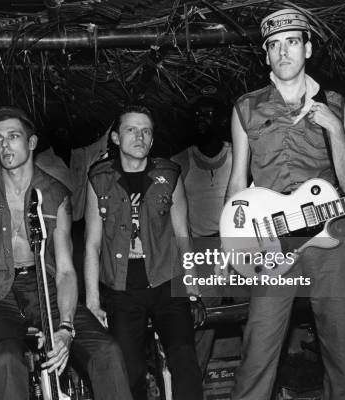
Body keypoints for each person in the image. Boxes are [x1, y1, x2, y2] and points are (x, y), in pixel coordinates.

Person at [226, 8, 345, 399]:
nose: (283, 52)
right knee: (259, 341)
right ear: (266, 55)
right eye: (274, 45)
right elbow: (238, 182)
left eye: (292, 42)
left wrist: (334, 127)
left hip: (332, 233)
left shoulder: (334, 102)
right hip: (272, 238)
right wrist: (233, 241)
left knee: (342, 341)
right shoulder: (245, 108)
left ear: (307, 49)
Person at [0, 107, 132, 400]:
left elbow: (65, 270)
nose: (4, 144)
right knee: (6, 361)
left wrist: (65, 327)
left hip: (47, 288)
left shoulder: (55, 195)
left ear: (31, 142)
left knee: (106, 350)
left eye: (13, 136)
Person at [84, 104, 203, 400]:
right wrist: (92, 300)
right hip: (121, 288)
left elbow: (183, 234)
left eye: (146, 131)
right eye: (131, 130)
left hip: (166, 280)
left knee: (184, 357)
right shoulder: (98, 178)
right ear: (115, 138)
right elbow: (92, 243)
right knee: (129, 370)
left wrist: (192, 287)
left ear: (152, 139)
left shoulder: (169, 174)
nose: (140, 136)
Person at [171, 94, 233, 374]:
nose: (201, 120)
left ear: (222, 120)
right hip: (203, 249)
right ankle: (195, 384)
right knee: (203, 320)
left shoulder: (238, 154)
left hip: (240, 245)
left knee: (259, 312)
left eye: (207, 114)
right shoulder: (181, 161)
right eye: (196, 114)